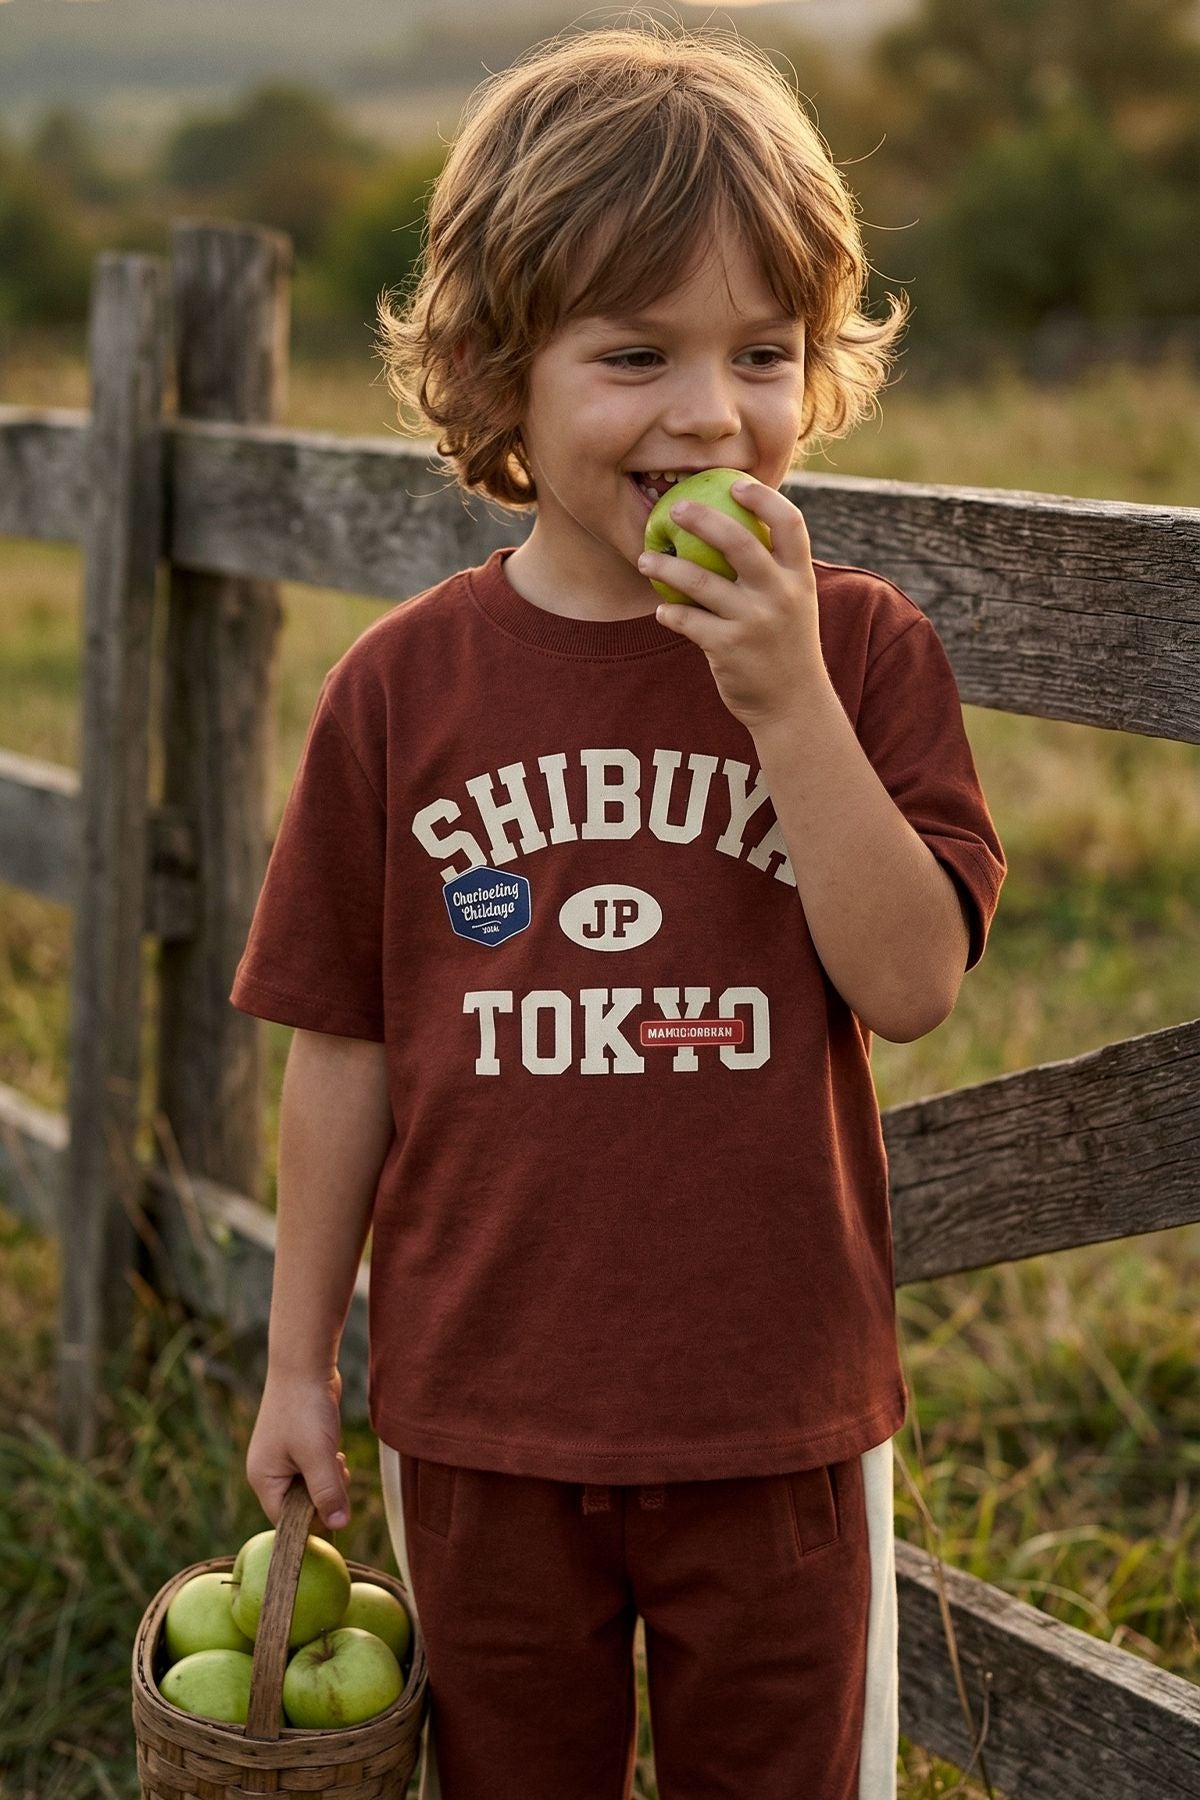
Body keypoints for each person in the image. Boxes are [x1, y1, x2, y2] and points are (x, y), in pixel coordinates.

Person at [231, 19, 1006, 1800]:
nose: (710, 412)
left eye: (764, 351)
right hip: (481, 1424)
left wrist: (787, 701)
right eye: (635, 351)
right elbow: (341, 1050)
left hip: (778, 1424)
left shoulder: (865, 652)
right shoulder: (402, 692)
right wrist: (297, 1370)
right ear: (501, 377)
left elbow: (910, 987)